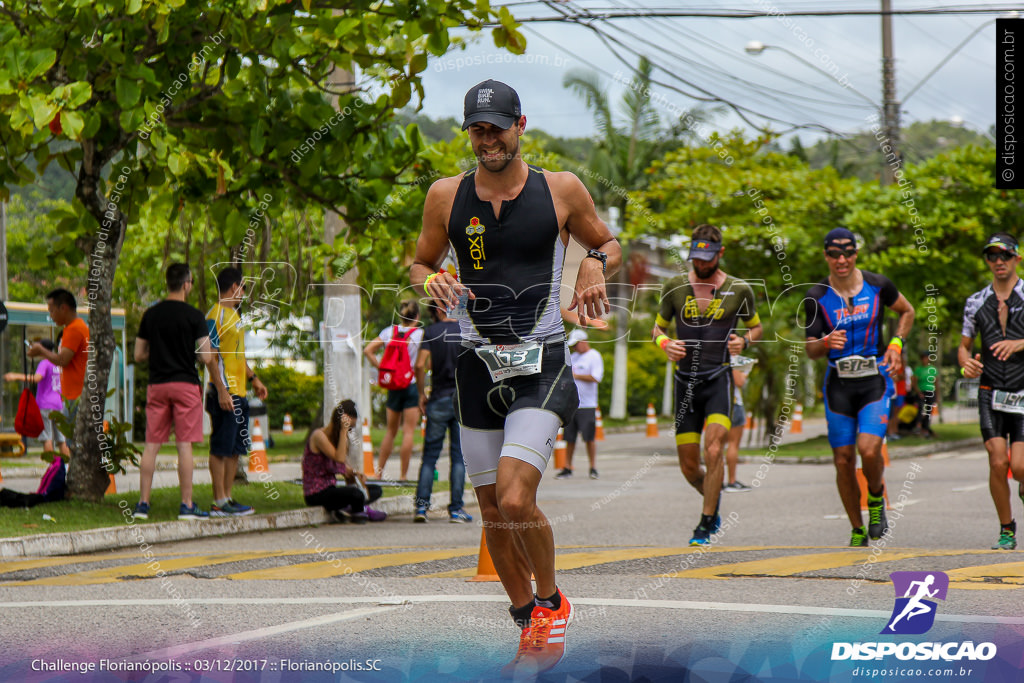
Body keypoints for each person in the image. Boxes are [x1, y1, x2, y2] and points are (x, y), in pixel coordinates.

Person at [411, 79, 620, 677]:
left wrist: (593, 271)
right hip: (476, 365)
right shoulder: (445, 197)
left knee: (513, 496)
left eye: (496, 128)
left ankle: (553, 602)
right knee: (492, 514)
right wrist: (429, 279)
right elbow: (422, 260)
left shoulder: (560, 190)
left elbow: (603, 242)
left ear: (520, 125)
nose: (486, 140)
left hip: (542, 360)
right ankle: (526, 616)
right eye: (476, 129)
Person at [652, 224, 762, 547]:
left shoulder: (739, 289)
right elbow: (656, 330)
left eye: (707, 259)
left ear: (720, 254)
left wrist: (744, 340)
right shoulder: (674, 287)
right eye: (696, 259)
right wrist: (664, 344)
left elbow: (756, 329)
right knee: (689, 466)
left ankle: (704, 522)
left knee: (713, 450)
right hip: (684, 384)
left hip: (718, 380)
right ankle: (713, 504)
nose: (700, 265)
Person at [804, 228, 915, 547]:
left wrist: (896, 344)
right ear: (825, 256)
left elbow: (907, 311)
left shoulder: (878, 285)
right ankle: (856, 528)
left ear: (856, 254)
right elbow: (810, 349)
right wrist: (824, 342)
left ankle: (876, 498)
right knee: (842, 459)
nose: (842, 260)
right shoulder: (815, 297)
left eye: (848, 253)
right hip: (838, 385)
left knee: (868, 450)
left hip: (873, 381)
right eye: (834, 254)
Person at [132, 264, 215, 520]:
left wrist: (158, 354)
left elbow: (138, 355)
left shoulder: (151, 314)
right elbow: (205, 356)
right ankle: (186, 504)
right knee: (184, 445)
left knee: (151, 445)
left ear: (168, 282)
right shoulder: (194, 315)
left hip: (157, 385)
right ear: (187, 283)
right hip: (185, 386)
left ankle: (143, 504)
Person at [960, 232, 1024, 551]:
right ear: (987, 261)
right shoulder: (975, 301)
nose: (999, 262)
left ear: (1017, 258)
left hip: (1023, 390)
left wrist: (1019, 343)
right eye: (992, 256)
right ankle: (1006, 529)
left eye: (1005, 255)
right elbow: (964, 346)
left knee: (1020, 466)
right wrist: (965, 365)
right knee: (998, 462)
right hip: (991, 391)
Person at [206, 266, 267, 517]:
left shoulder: (235, 315)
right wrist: (221, 389)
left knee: (235, 447)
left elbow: (237, 355)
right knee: (220, 446)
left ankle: (228, 497)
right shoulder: (215, 315)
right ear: (234, 287)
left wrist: (253, 378)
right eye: (243, 287)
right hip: (224, 392)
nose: (243, 292)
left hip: (239, 391)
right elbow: (210, 355)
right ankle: (218, 500)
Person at [413, 303, 471, 523]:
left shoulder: (431, 331)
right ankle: (456, 510)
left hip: (437, 399)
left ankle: (421, 509)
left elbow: (419, 365)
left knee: (429, 457)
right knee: (458, 457)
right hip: (461, 401)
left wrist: (421, 394)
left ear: (438, 310)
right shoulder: (465, 330)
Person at [364, 299, 423, 481]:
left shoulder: (389, 332)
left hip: (393, 386)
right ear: (417, 316)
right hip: (411, 384)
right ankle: (403, 475)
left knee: (391, 431)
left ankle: (379, 472)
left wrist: (383, 368)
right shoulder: (420, 334)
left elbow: (368, 350)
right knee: (408, 431)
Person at [303, 399, 384, 524]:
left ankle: (350, 509)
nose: (349, 431)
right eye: (349, 426)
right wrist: (343, 431)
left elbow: (344, 469)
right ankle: (360, 510)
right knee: (355, 494)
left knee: (375, 490)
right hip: (316, 493)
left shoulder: (338, 440)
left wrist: (356, 475)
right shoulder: (319, 436)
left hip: (331, 489)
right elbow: (339, 458)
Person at [28, 289, 90, 426]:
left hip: (76, 397)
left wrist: (41, 350)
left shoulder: (74, 329)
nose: (51, 316)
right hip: (73, 396)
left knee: (73, 443)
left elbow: (63, 360)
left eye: (52, 311)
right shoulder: (75, 327)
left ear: (63, 308)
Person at [5, 339, 69, 457]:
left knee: (47, 437)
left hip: (46, 405)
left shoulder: (45, 363)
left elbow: (37, 378)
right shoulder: (58, 364)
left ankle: (52, 467)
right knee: (61, 439)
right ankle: (68, 467)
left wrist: (15, 376)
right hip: (59, 404)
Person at [555, 329, 604, 480]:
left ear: (584, 341)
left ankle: (593, 467)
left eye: (576, 345)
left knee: (589, 438)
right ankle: (567, 468)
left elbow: (596, 377)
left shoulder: (594, 356)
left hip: (587, 405)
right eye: (573, 346)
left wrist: (576, 376)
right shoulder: (573, 357)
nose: (575, 348)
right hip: (571, 405)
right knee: (569, 438)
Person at [724, 356, 755, 492]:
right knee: (733, 444)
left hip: (717, 402)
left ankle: (716, 481)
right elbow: (739, 381)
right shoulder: (730, 357)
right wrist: (745, 371)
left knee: (717, 445)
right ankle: (731, 481)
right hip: (733, 402)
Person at [912, 351, 938, 437]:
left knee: (928, 411)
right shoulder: (918, 369)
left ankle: (926, 428)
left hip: (930, 391)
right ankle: (918, 427)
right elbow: (914, 382)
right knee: (920, 409)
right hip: (921, 391)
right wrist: (918, 392)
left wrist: (937, 394)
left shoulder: (933, 369)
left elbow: (936, 383)